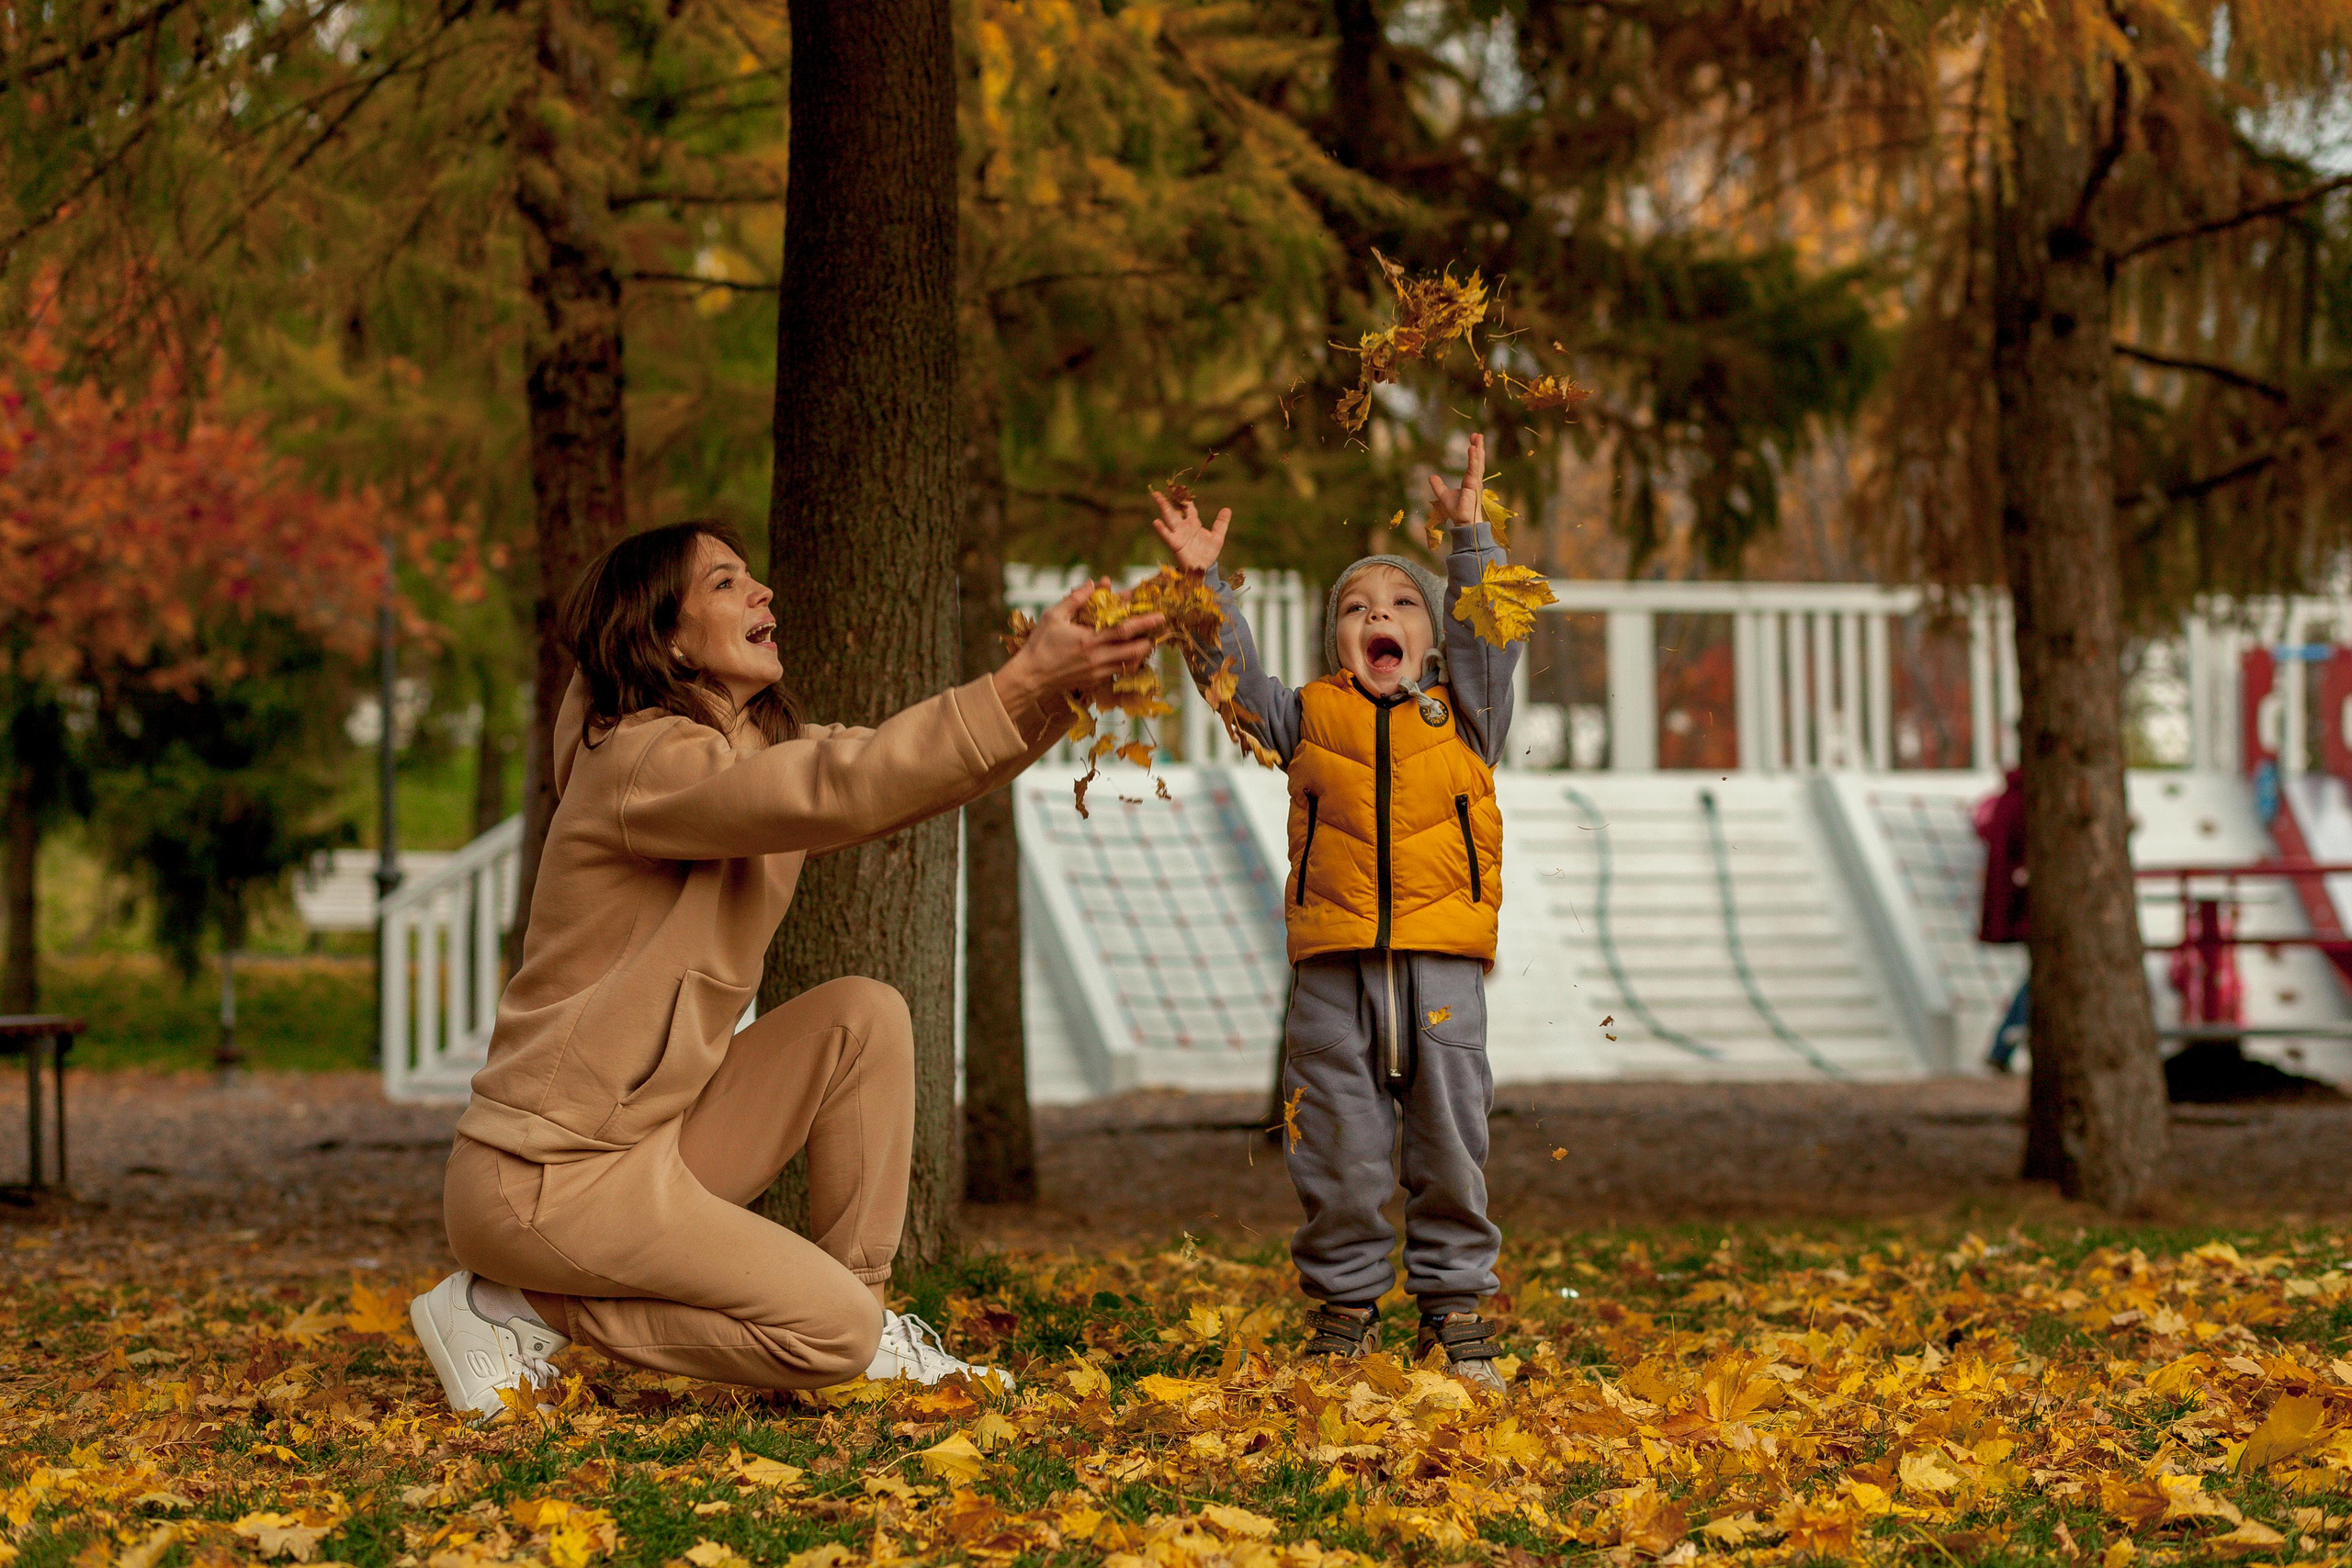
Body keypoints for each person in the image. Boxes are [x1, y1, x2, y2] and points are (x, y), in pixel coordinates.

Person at [410, 521, 1162, 1419]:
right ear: (668, 637)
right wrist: (1026, 676)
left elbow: (898, 769)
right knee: (827, 1335)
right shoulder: (641, 760)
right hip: (543, 1178)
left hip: (649, 1142)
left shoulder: (743, 751)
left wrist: (1060, 689)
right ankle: (513, 1305)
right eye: (727, 584)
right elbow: (846, 785)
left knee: (862, 1015)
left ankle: (860, 1318)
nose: (763, 592)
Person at [1150, 434, 1520, 1393]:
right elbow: (1226, 679)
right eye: (1356, 609)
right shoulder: (1307, 715)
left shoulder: (1464, 717)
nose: (1379, 617)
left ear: (1430, 644)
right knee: (1338, 1154)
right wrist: (1204, 588)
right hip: (1330, 979)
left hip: (1441, 974)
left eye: (1401, 605)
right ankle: (1344, 1312)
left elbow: (1491, 635)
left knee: (1450, 1149)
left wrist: (1467, 539)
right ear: (1335, 645)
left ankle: (1454, 1310)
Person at [1974, 766, 2029, 1071]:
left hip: (2014, 904)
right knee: (2041, 978)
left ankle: (2003, 1046)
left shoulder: (2005, 803)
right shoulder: (2025, 803)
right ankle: (2002, 1045)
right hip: (2026, 906)